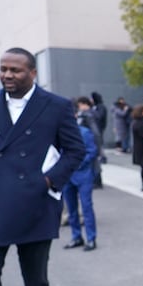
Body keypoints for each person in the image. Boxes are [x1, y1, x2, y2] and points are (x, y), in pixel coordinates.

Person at [0, 47, 86, 286]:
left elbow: (76, 150)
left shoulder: (56, 106)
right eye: (3, 69)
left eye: (15, 70)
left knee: (36, 283)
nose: (7, 75)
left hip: (35, 205)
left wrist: (48, 181)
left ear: (32, 73)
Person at [62, 99, 99, 251]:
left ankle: (91, 238)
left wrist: (76, 163)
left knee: (86, 207)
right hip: (67, 176)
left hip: (83, 174)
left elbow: (92, 151)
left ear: (76, 115)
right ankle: (76, 237)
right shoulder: (61, 132)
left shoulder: (85, 132)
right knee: (71, 209)